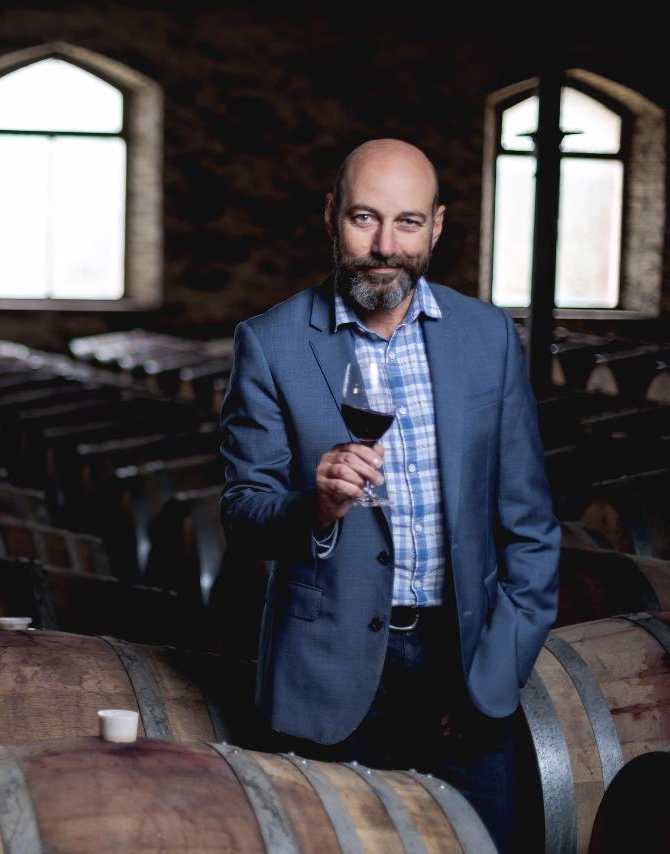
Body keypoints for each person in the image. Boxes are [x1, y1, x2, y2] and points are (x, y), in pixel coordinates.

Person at [219, 138, 559, 852]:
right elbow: (244, 515)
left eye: (407, 223)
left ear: (436, 227)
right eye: (364, 218)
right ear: (331, 217)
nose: (384, 245)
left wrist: (492, 675)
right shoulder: (273, 343)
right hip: (326, 684)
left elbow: (529, 528)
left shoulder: (488, 336)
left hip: (461, 675)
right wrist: (315, 506)